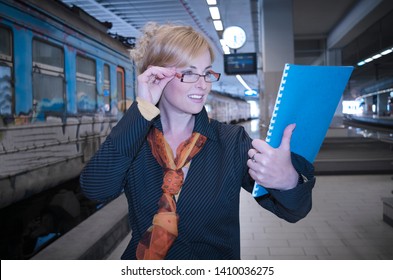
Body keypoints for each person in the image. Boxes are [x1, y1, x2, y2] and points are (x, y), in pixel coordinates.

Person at [79, 22, 315, 260]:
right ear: (158, 75)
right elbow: (96, 189)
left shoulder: (231, 142)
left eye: (207, 72)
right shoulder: (136, 139)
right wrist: (142, 109)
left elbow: (293, 211)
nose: (203, 84)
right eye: (189, 73)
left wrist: (288, 182)